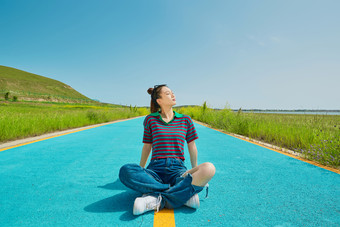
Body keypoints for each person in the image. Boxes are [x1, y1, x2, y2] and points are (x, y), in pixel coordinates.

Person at [119, 84, 216, 215]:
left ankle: (156, 198)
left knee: (209, 168)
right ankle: (181, 196)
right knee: (126, 170)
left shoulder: (186, 120)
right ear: (159, 101)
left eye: (172, 92)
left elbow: (192, 146)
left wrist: (194, 172)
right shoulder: (150, 119)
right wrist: (141, 171)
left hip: (178, 170)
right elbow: (147, 146)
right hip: (155, 170)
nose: (173, 95)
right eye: (168, 93)